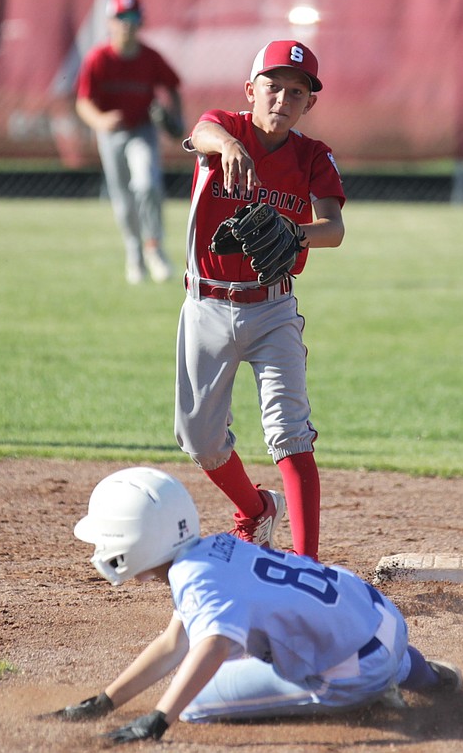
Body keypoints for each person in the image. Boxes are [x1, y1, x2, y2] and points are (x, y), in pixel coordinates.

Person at [45, 467, 462, 744]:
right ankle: (429, 678)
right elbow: (176, 642)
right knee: (343, 633)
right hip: (385, 622)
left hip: (355, 670)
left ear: (132, 540)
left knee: (194, 701)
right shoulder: (213, 550)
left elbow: (211, 647)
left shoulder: (192, 575)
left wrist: (159, 719)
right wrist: (105, 701)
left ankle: (370, 698)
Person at [175, 39, 344, 561]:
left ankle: (307, 565)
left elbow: (333, 228)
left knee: (290, 434)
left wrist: (295, 234)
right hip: (206, 305)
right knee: (200, 441)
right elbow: (202, 130)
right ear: (251, 91)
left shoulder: (312, 155)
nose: (283, 100)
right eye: (273, 87)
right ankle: (254, 509)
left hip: (272, 309)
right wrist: (227, 147)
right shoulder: (223, 128)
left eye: (298, 92)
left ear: (309, 104)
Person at [76, 0, 184, 284]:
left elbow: (173, 85)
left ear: (141, 22)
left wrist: (176, 118)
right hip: (111, 135)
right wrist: (99, 119)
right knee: (122, 200)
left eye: (133, 17)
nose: (127, 24)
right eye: (122, 17)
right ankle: (134, 253)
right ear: (111, 21)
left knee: (148, 184)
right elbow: (83, 101)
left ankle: (155, 248)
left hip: (141, 130)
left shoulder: (149, 57)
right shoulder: (99, 58)